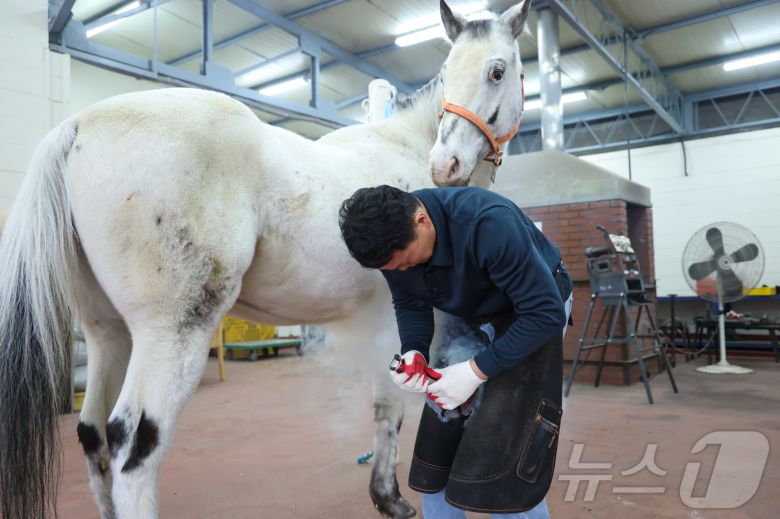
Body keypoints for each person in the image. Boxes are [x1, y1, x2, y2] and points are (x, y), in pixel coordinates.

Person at [339, 185, 573, 518]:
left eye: (405, 261)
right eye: (393, 268)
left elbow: (544, 313)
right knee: (441, 437)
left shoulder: (488, 224)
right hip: (470, 310)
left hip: (533, 308)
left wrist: (475, 371)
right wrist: (415, 352)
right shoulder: (390, 245)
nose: (401, 270)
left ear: (422, 221)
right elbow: (409, 300)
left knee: (505, 437)